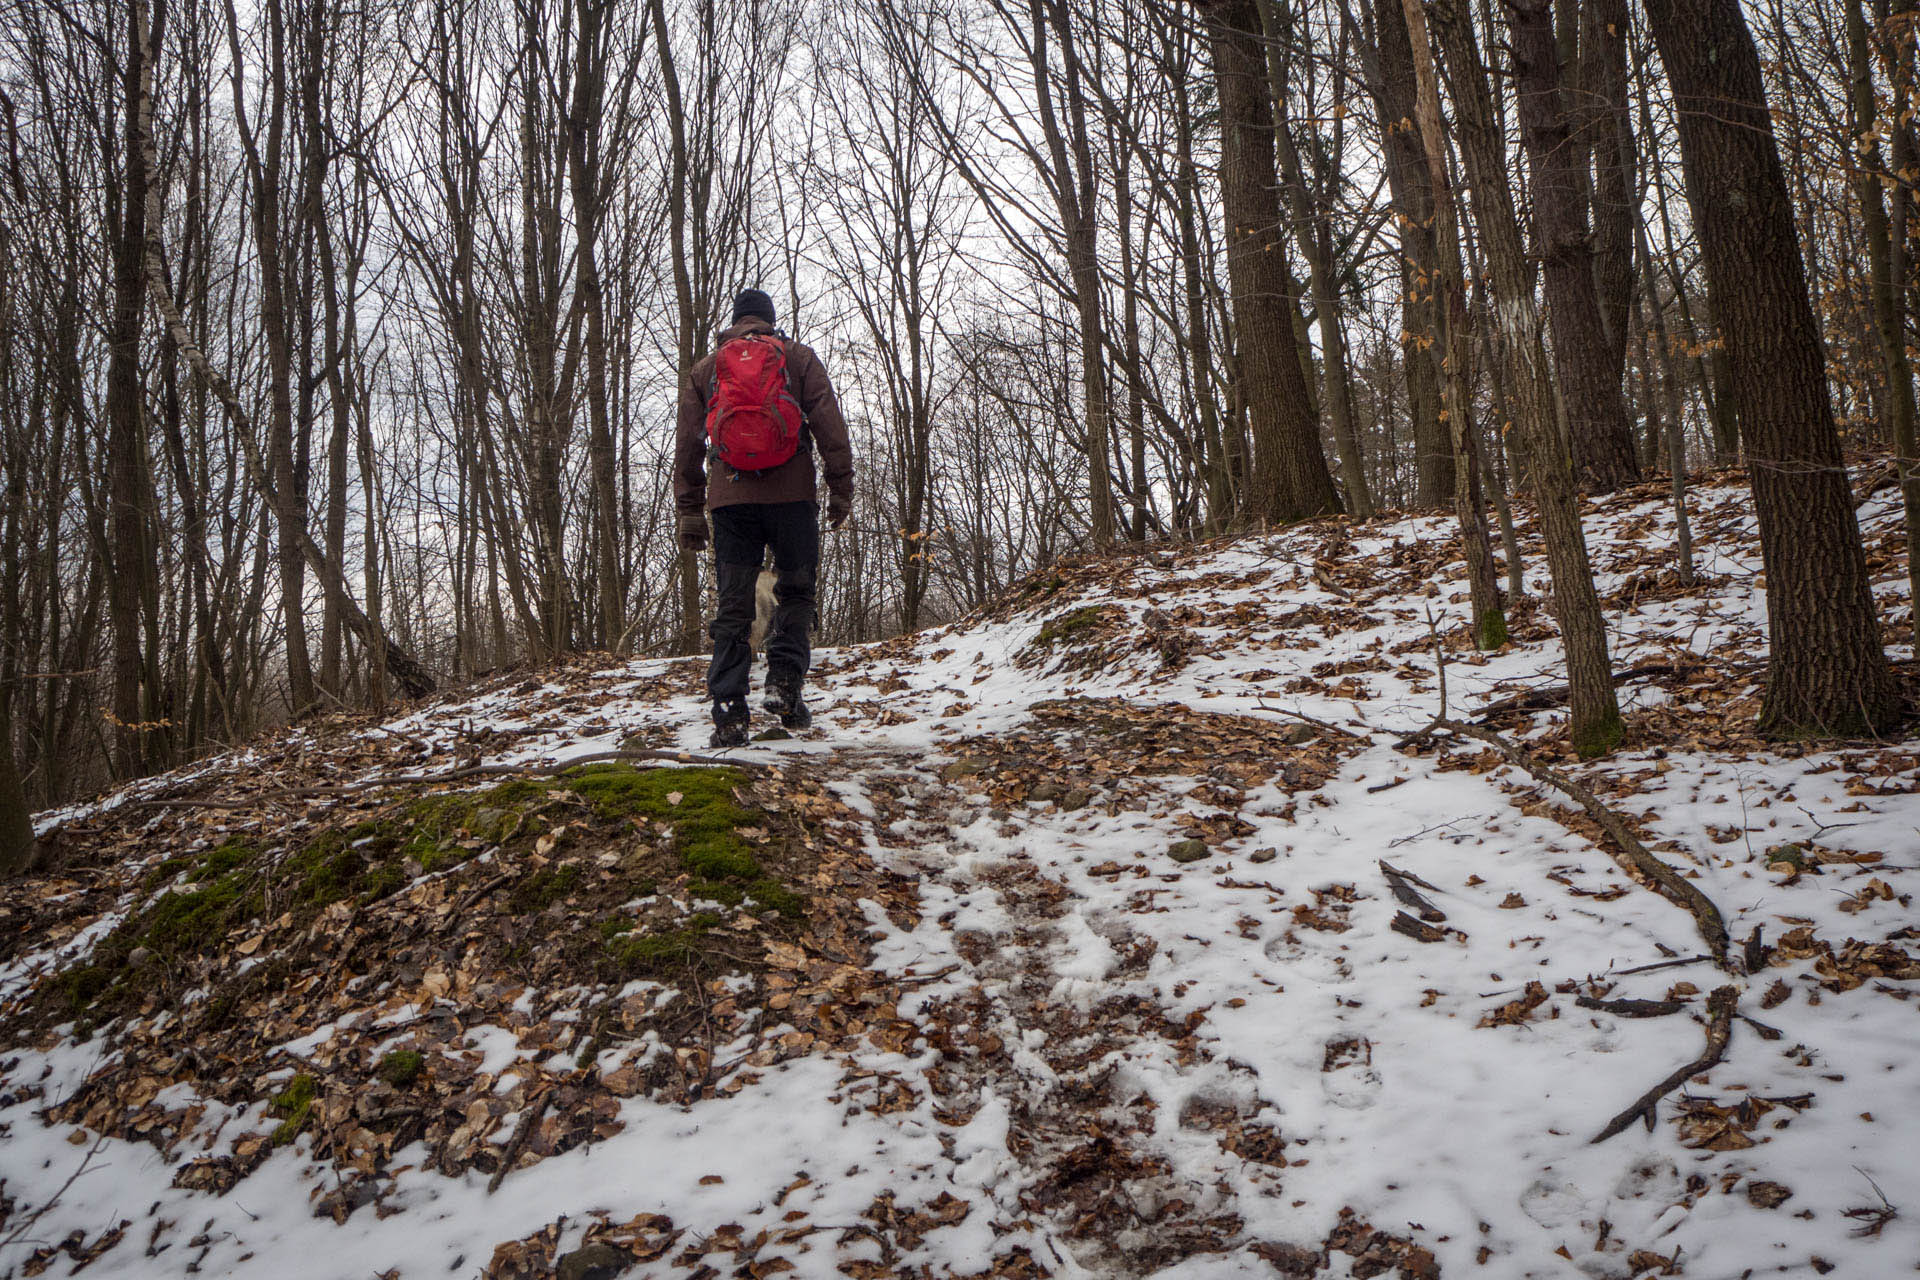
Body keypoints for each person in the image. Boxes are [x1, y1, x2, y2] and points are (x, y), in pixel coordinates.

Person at [675, 289, 854, 747]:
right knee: (796, 592)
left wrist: (690, 510)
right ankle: (785, 688)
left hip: (730, 500)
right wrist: (840, 489)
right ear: (771, 322)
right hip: (792, 498)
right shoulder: (799, 359)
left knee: (734, 604)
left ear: (735, 322)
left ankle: (730, 714)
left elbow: (689, 446)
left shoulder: (706, 368)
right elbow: (830, 427)